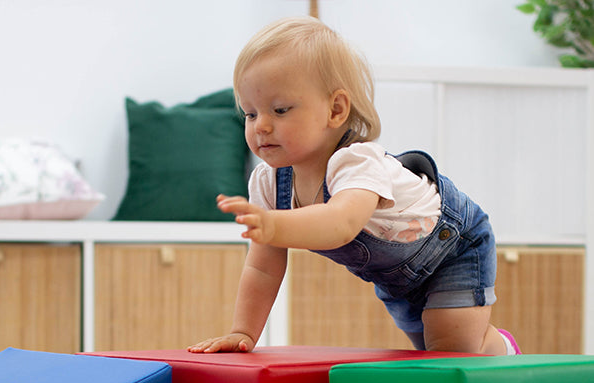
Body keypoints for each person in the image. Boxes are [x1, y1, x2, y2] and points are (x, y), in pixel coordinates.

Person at [187, 16, 520, 356]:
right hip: (397, 277)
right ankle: (483, 344)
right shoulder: (269, 183)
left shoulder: (356, 163)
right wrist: (243, 331)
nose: (261, 126)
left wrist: (274, 225)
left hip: (453, 248)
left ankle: (501, 348)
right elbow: (262, 267)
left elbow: (340, 223)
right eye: (250, 113)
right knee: (430, 353)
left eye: (280, 109)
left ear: (335, 110)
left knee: (451, 353)